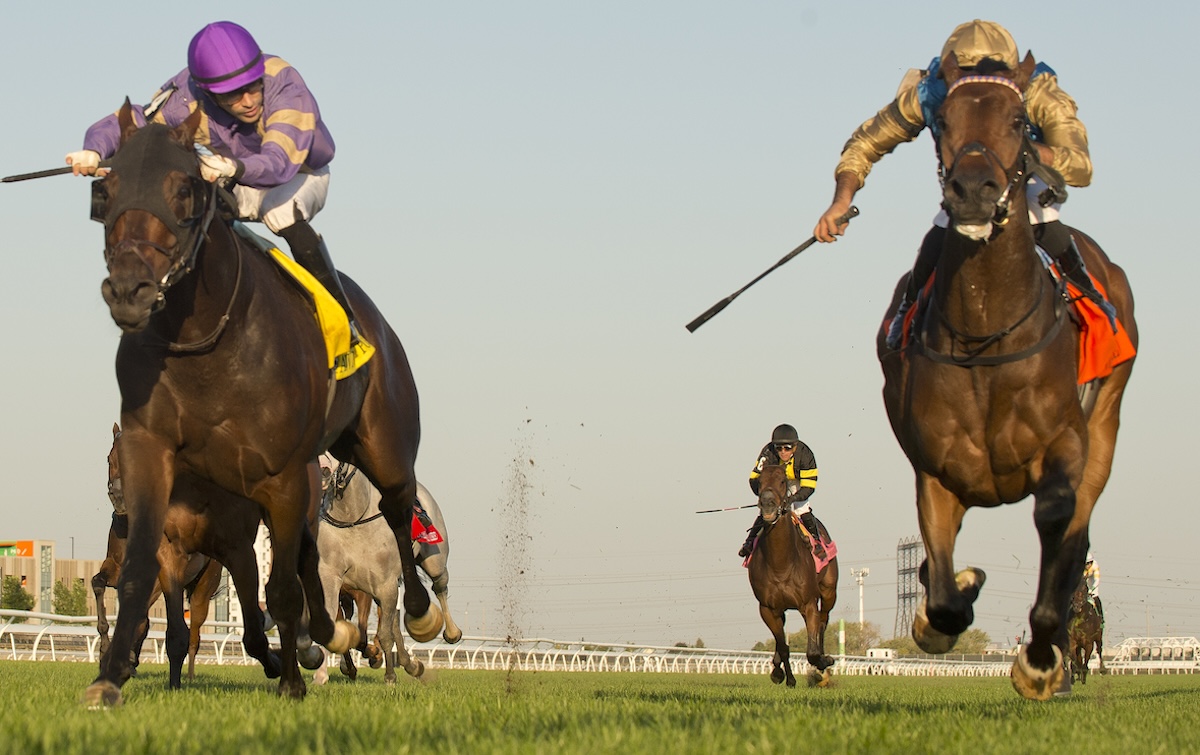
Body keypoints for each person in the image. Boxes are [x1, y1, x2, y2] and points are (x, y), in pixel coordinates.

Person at [811, 19, 1117, 349]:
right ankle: (906, 313)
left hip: (1024, 180)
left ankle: (1095, 306)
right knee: (937, 236)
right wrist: (841, 201)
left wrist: (1029, 151)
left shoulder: (1038, 92)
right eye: (965, 76)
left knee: (1044, 222)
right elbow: (865, 144)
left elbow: (1081, 167)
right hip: (965, 185)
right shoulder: (931, 92)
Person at [65, 21, 365, 346]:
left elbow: (278, 163)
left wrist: (234, 167)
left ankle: (342, 320)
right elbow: (134, 120)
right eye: (233, 95)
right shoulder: (185, 97)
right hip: (233, 174)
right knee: (193, 205)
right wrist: (94, 150)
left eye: (253, 87)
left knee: (279, 214)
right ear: (208, 92)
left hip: (299, 173)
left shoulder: (284, 83)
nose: (248, 101)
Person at [739, 424, 824, 559]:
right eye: (779, 448)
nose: (783, 452)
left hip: (797, 481)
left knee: (801, 509)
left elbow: (809, 487)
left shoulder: (805, 455)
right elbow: (754, 479)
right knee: (767, 511)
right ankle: (749, 541)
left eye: (787, 448)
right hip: (774, 483)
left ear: (795, 447)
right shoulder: (768, 453)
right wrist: (766, 498)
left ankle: (817, 541)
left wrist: (791, 499)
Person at [1084, 550, 1104, 622]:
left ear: (1091, 562)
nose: (1086, 566)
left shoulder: (1095, 566)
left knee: (1096, 599)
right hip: (1084, 584)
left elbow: (1097, 580)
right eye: (1085, 564)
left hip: (1092, 584)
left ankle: (1101, 618)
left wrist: (1091, 590)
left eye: (1087, 564)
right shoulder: (1080, 567)